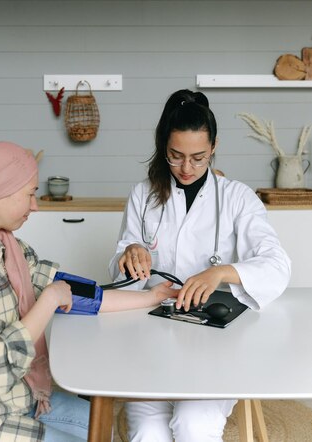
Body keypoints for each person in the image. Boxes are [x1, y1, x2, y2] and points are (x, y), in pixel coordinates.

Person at [0, 142, 174, 442]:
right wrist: (48, 301)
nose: (35, 205)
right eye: (29, 193)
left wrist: (150, 297)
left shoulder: (6, 247)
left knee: (101, 426)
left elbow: (73, 291)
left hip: (10, 400)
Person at [109, 89, 291, 442]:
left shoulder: (237, 197)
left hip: (216, 340)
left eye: (198, 157)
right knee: (148, 431)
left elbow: (277, 264)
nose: (187, 168)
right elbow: (119, 276)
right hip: (150, 334)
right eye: (176, 156)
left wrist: (222, 271)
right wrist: (130, 253)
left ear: (214, 147)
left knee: (194, 426)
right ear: (164, 146)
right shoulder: (142, 195)